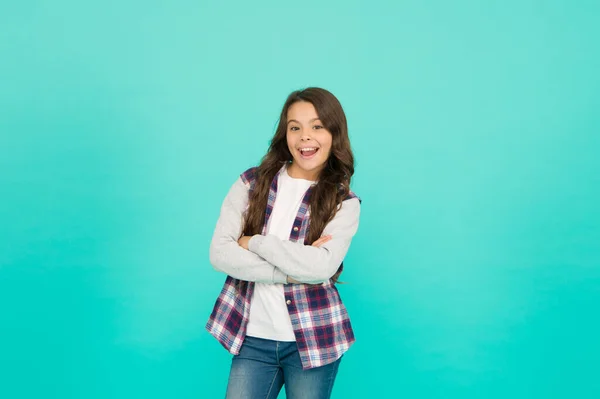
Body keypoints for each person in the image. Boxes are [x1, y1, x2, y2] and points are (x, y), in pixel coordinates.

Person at [206, 87, 361, 399]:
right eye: (295, 127)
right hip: (252, 338)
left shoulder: (344, 202)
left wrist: (255, 243)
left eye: (317, 126)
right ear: (284, 134)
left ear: (334, 134)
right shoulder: (251, 183)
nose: (305, 136)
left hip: (314, 338)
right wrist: (290, 269)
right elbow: (220, 253)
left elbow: (320, 267)